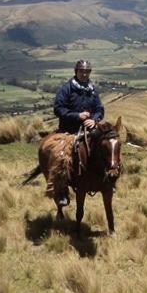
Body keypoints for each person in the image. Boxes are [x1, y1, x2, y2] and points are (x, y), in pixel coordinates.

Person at [48, 60, 104, 205]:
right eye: (81, 71)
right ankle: (61, 192)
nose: (84, 74)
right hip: (68, 131)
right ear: (76, 72)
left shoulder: (92, 89)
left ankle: (106, 180)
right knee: (62, 157)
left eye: (87, 72)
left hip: (89, 129)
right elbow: (58, 109)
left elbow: (99, 109)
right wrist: (77, 116)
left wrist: (95, 120)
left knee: (106, 146)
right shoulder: (66, 89)